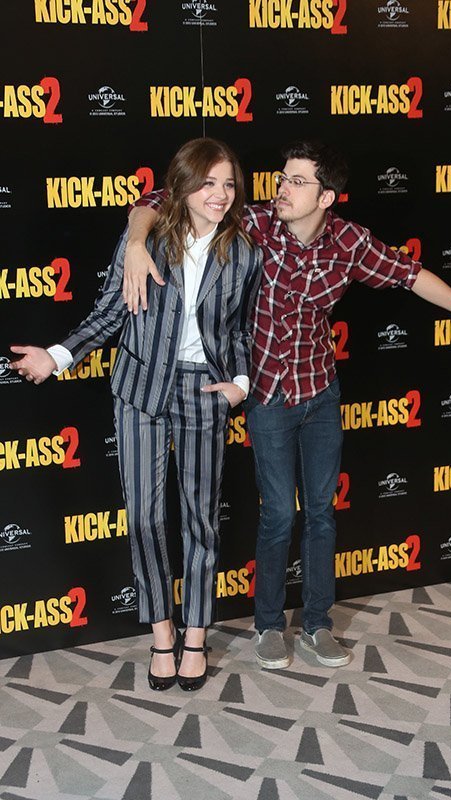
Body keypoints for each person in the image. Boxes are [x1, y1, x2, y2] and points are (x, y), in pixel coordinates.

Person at [121, 139, 451, 671]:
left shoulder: (349, 241)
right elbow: (158, 199)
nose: (282, 188)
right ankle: (268, 625)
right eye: (283, 177)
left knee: (321, 513)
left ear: (326, 197)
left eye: (297, 182)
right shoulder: (253, 223)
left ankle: (318, 624)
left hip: (321, 393)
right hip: (268, 396)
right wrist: (137, 243)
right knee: (279, 513)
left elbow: (410, 275)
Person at [9, 138, 262, 691]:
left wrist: (240, 386)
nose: (220, 194)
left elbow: (243, 329)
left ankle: (196, 636)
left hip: (204, 391)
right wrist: (57, 356)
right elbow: (109, 312)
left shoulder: (244, 252)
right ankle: (162, 633)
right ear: (183, 185)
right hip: (140, 388)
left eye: (228, 184)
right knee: (146, 519)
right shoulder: (146, 241)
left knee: (200, 519)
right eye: (208, 183)